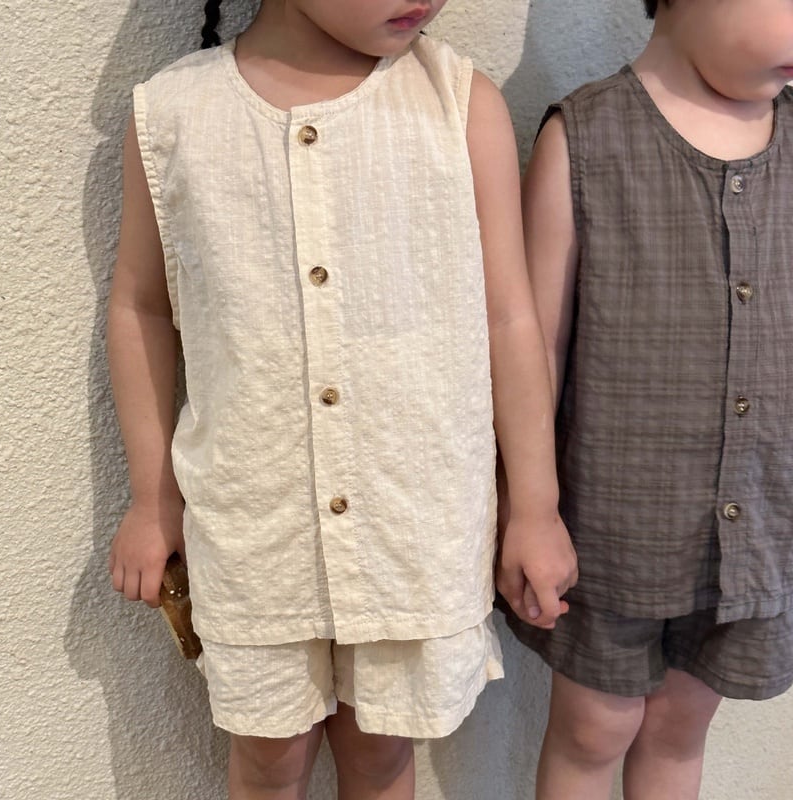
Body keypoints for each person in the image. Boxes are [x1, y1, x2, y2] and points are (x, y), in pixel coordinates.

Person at [106, 1, 577, 798]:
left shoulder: (461, 104)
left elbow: (509, 318)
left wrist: (535, 507)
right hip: (257, 529)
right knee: (269, 756)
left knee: (382, 750)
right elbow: (141, 306)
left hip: (412, 527)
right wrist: (153, 500)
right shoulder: (175, 115)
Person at [510, 1, 793, 798]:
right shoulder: (587, 137)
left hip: (759, 527)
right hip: (612, 534)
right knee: (593, 728)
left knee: (680, 728)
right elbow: (536, 348)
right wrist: (527, 509)